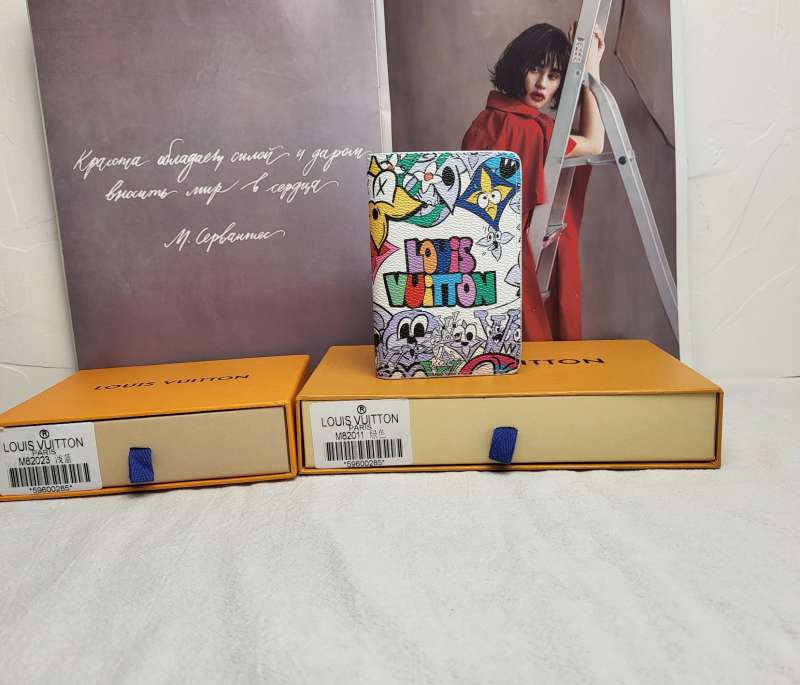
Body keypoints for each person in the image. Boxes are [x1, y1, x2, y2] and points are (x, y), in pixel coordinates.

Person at [462, 23, 605, 341]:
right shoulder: (525, 128)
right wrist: (592, 69)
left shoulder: (490, 118)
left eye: (554, 76)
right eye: (535, 69)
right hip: (511, 259)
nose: (542, 84)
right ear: (518, 67)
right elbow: (594, 143)